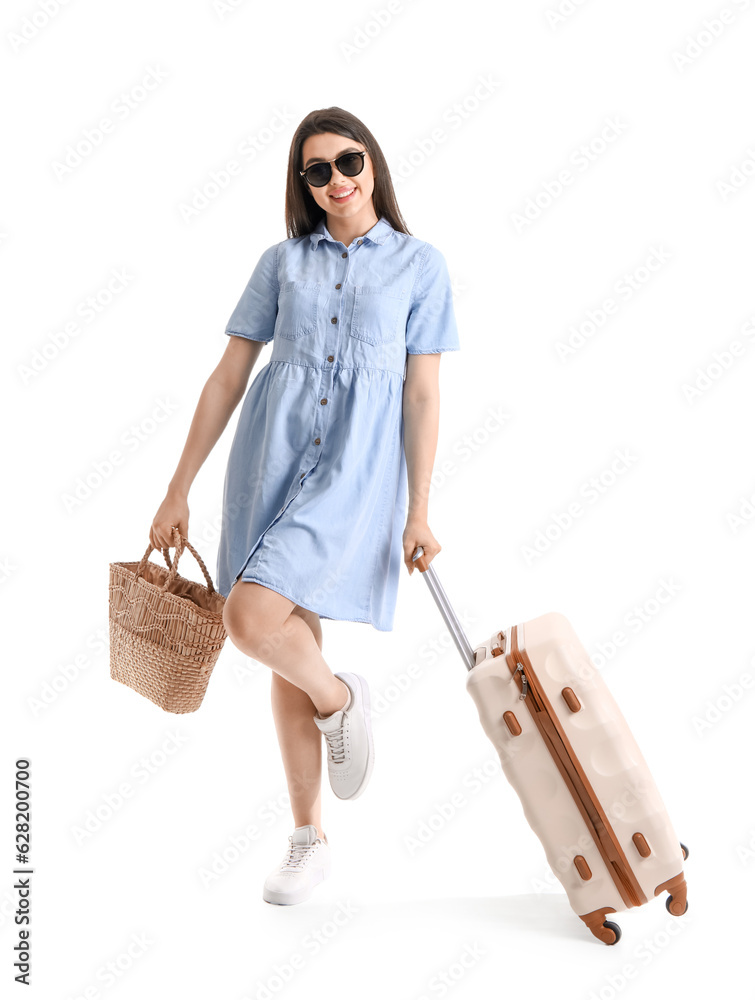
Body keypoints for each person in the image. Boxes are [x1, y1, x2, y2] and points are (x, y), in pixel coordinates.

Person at [149, 106, 460, 905]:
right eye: (316, 170)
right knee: (287, 637)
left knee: (248, 621)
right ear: (303, 184)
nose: (336, 180)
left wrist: (419, 509)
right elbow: (228, 377)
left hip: (353, 474)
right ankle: (306, 837)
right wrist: (177, 486)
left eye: (347, 161)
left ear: (373, 163)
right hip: (270, 459)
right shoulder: (280, 262)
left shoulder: (420, 266)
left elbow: (421, 395)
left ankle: (339, 699)